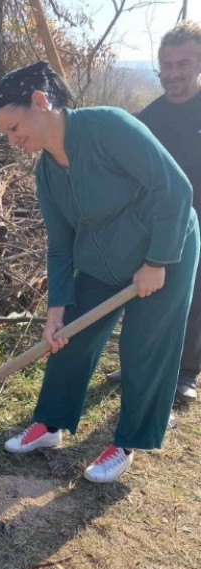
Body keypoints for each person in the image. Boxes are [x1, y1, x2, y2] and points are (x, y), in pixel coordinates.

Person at [0, 61, 200, 483]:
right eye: (6, 134)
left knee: (145, 349)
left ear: (39, 102)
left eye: (15, 127)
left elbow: (175, 189)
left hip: (165, 250)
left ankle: (127, 443)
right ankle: (50, 423)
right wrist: (56, 311)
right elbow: (60, 245)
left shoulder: (108, 126)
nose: (13, 140)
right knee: (69, 337)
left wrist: (157, 262)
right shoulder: (46, 171)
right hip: (103, 260)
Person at [109, 22, 201, 405]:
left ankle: (184, 373)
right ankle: (138, 364)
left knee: (195, 299)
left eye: (184, 63)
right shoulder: (145, 121)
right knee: (145, 297)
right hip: (155, 226)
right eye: (168, 65)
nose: (175, 73)